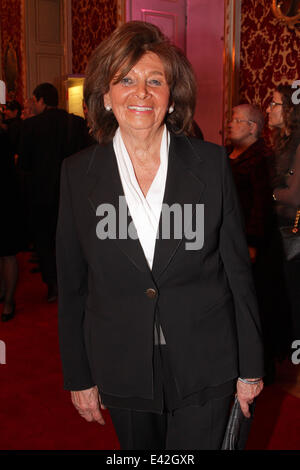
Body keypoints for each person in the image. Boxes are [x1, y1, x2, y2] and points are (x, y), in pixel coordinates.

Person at [56, 21, 264, 450]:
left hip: (207, 358)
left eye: (155, 80)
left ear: (172, 97)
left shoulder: (209, 164)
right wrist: (78, 375)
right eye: (126, 79)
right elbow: (72, 286)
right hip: (121, 359)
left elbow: (238, 274)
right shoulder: (78, 174)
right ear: (106, 96)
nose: (142, 92)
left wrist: (251, 367)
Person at [18, 83, 93, 302]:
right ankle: (76, 281)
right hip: (73, 192)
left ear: (41, 100)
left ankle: (53, 284)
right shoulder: (76, 123)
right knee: (73, 239)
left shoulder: (30, 126)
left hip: (41, 193)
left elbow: (24, 164)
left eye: (34, 100)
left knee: (45, 241)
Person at [267, 84, 300, 342]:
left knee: (292, 293)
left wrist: (270, 194)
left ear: (289, 109)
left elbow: (294, 195)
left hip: (292, 228)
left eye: (275, 104)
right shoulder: (280, 143)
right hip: (278, 224)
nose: (268, 109)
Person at [227, 104, 272, 264]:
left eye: (238, 120)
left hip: (245, 238)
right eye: (231, 120)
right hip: (224, 235)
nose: (231, 124)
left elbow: (261, 204)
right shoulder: (223, 153)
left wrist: (252, 243)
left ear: (252, 127)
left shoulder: (262, 158)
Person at [0, 126, 20, 321]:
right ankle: (4, 294)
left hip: (5, 200)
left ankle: (8, 301)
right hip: (9, 197)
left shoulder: (4, 136)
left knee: (7, 254)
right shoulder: (6, 134)